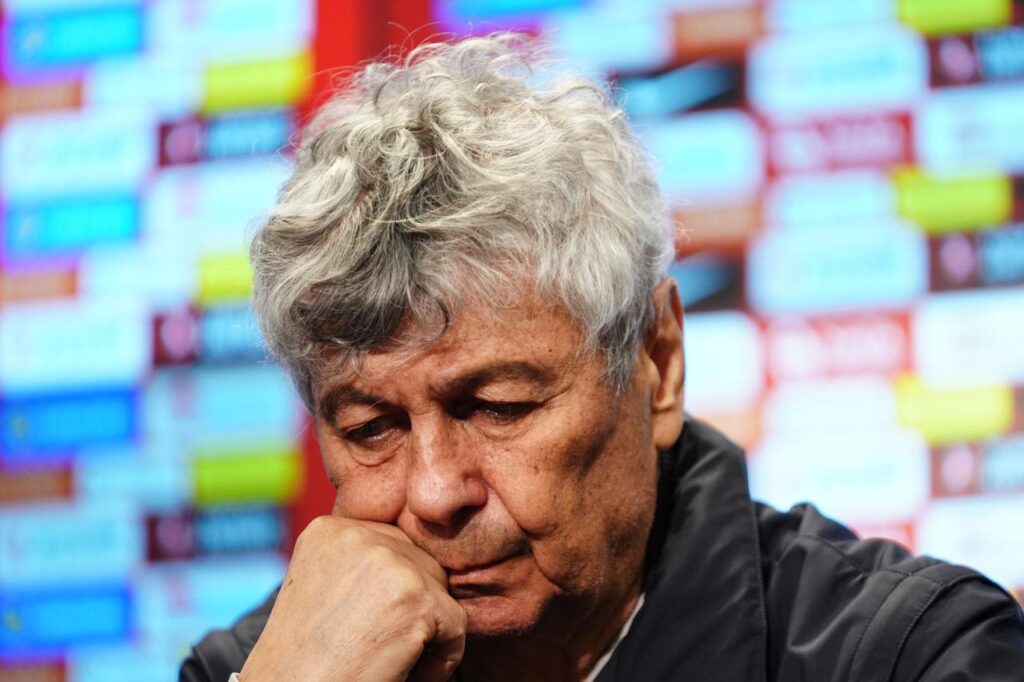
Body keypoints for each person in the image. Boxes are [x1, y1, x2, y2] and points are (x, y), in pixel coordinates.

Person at [180, 34, 1024, 681]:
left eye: (498, 408)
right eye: (371, 428)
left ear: (656, 363)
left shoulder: (913, 655)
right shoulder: (259, 668)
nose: (436, 493)